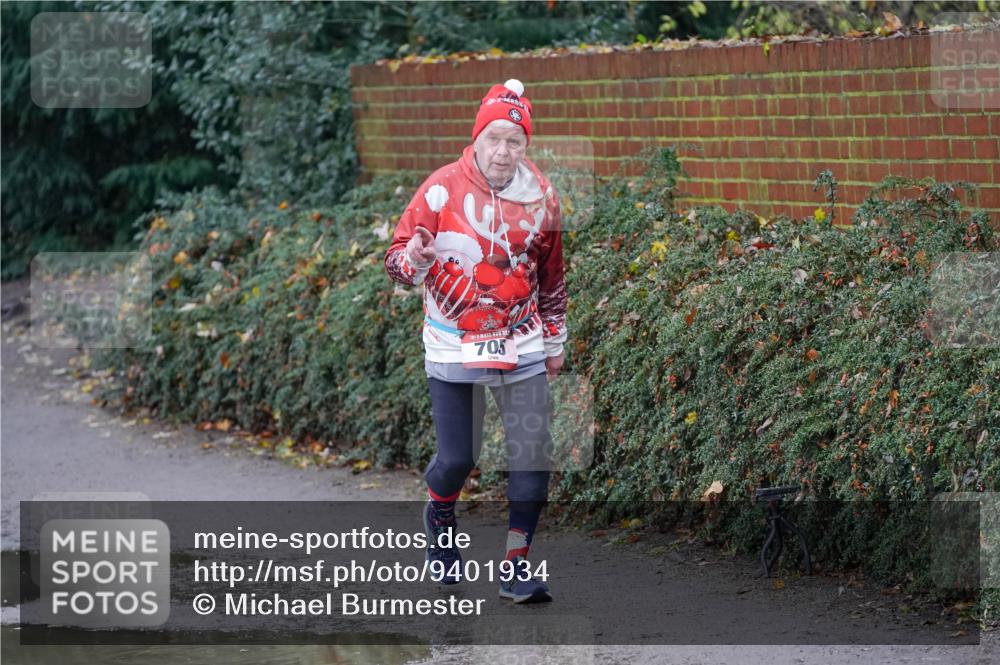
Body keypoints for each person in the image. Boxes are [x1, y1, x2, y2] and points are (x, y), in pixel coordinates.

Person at [384, 79, 567, 604]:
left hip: (523, 344)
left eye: (515, 140)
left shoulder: (544, 197)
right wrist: (415, 258)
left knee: (532, 465)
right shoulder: (440, 189)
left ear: (526, 145)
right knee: (458, 459)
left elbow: (551, 277)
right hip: (451, 346)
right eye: (495, 138)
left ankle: (515, 567)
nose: (504, 151)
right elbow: (396, 262)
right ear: (477, 138)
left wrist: (554, 340)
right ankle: (440, 515)